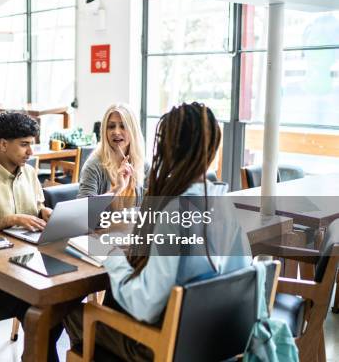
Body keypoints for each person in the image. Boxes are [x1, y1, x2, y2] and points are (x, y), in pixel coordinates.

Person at [63, 102, 252, 360]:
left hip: (160, 348)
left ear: (170, 148)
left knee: (71, 312)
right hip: (211, 345)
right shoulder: (223, 204)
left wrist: (112, 255)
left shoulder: (174, 211)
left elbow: (145, 304)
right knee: (115, 298)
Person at [0, 112, 62, 361]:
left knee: (60, 305)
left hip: (27, 260)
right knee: (42, 313)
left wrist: (45, 211)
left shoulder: (29, 172)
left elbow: (36, 205)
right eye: (24, 144)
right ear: (3, 144)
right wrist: (12, 219)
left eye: (32, 143)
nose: (30, 151)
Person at [78, 103, 146, 205]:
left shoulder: (143, 165)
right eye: (111, 126)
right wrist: (117, 189)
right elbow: (83, 211)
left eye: (123, 126)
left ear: (133, 131)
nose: (116, 132)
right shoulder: (93, 166)